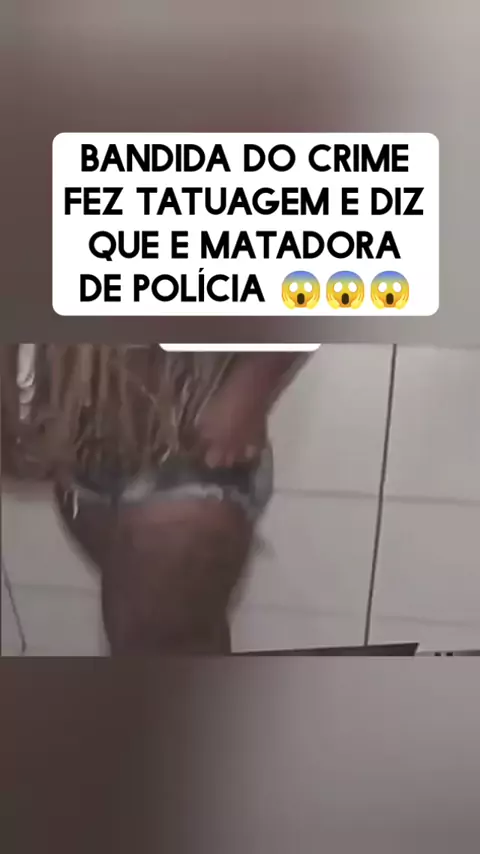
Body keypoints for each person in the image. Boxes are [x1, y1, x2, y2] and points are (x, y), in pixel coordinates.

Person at [1, 345, 308, 655]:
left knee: (160, 638)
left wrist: (247, 394)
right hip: (90, 440)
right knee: (158, 632)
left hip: (190, 440)